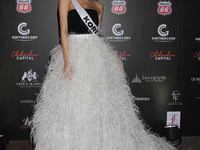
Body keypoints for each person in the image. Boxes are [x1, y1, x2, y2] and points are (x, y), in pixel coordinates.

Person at [29, 0, 176, 149]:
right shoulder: (66, 1)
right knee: (73, 100)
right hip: (74, 53)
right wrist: (67, 61)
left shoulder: (99, 6)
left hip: (95, 56)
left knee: (95, 100)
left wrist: (113, 55)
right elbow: (63, 29)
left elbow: (97, 34)